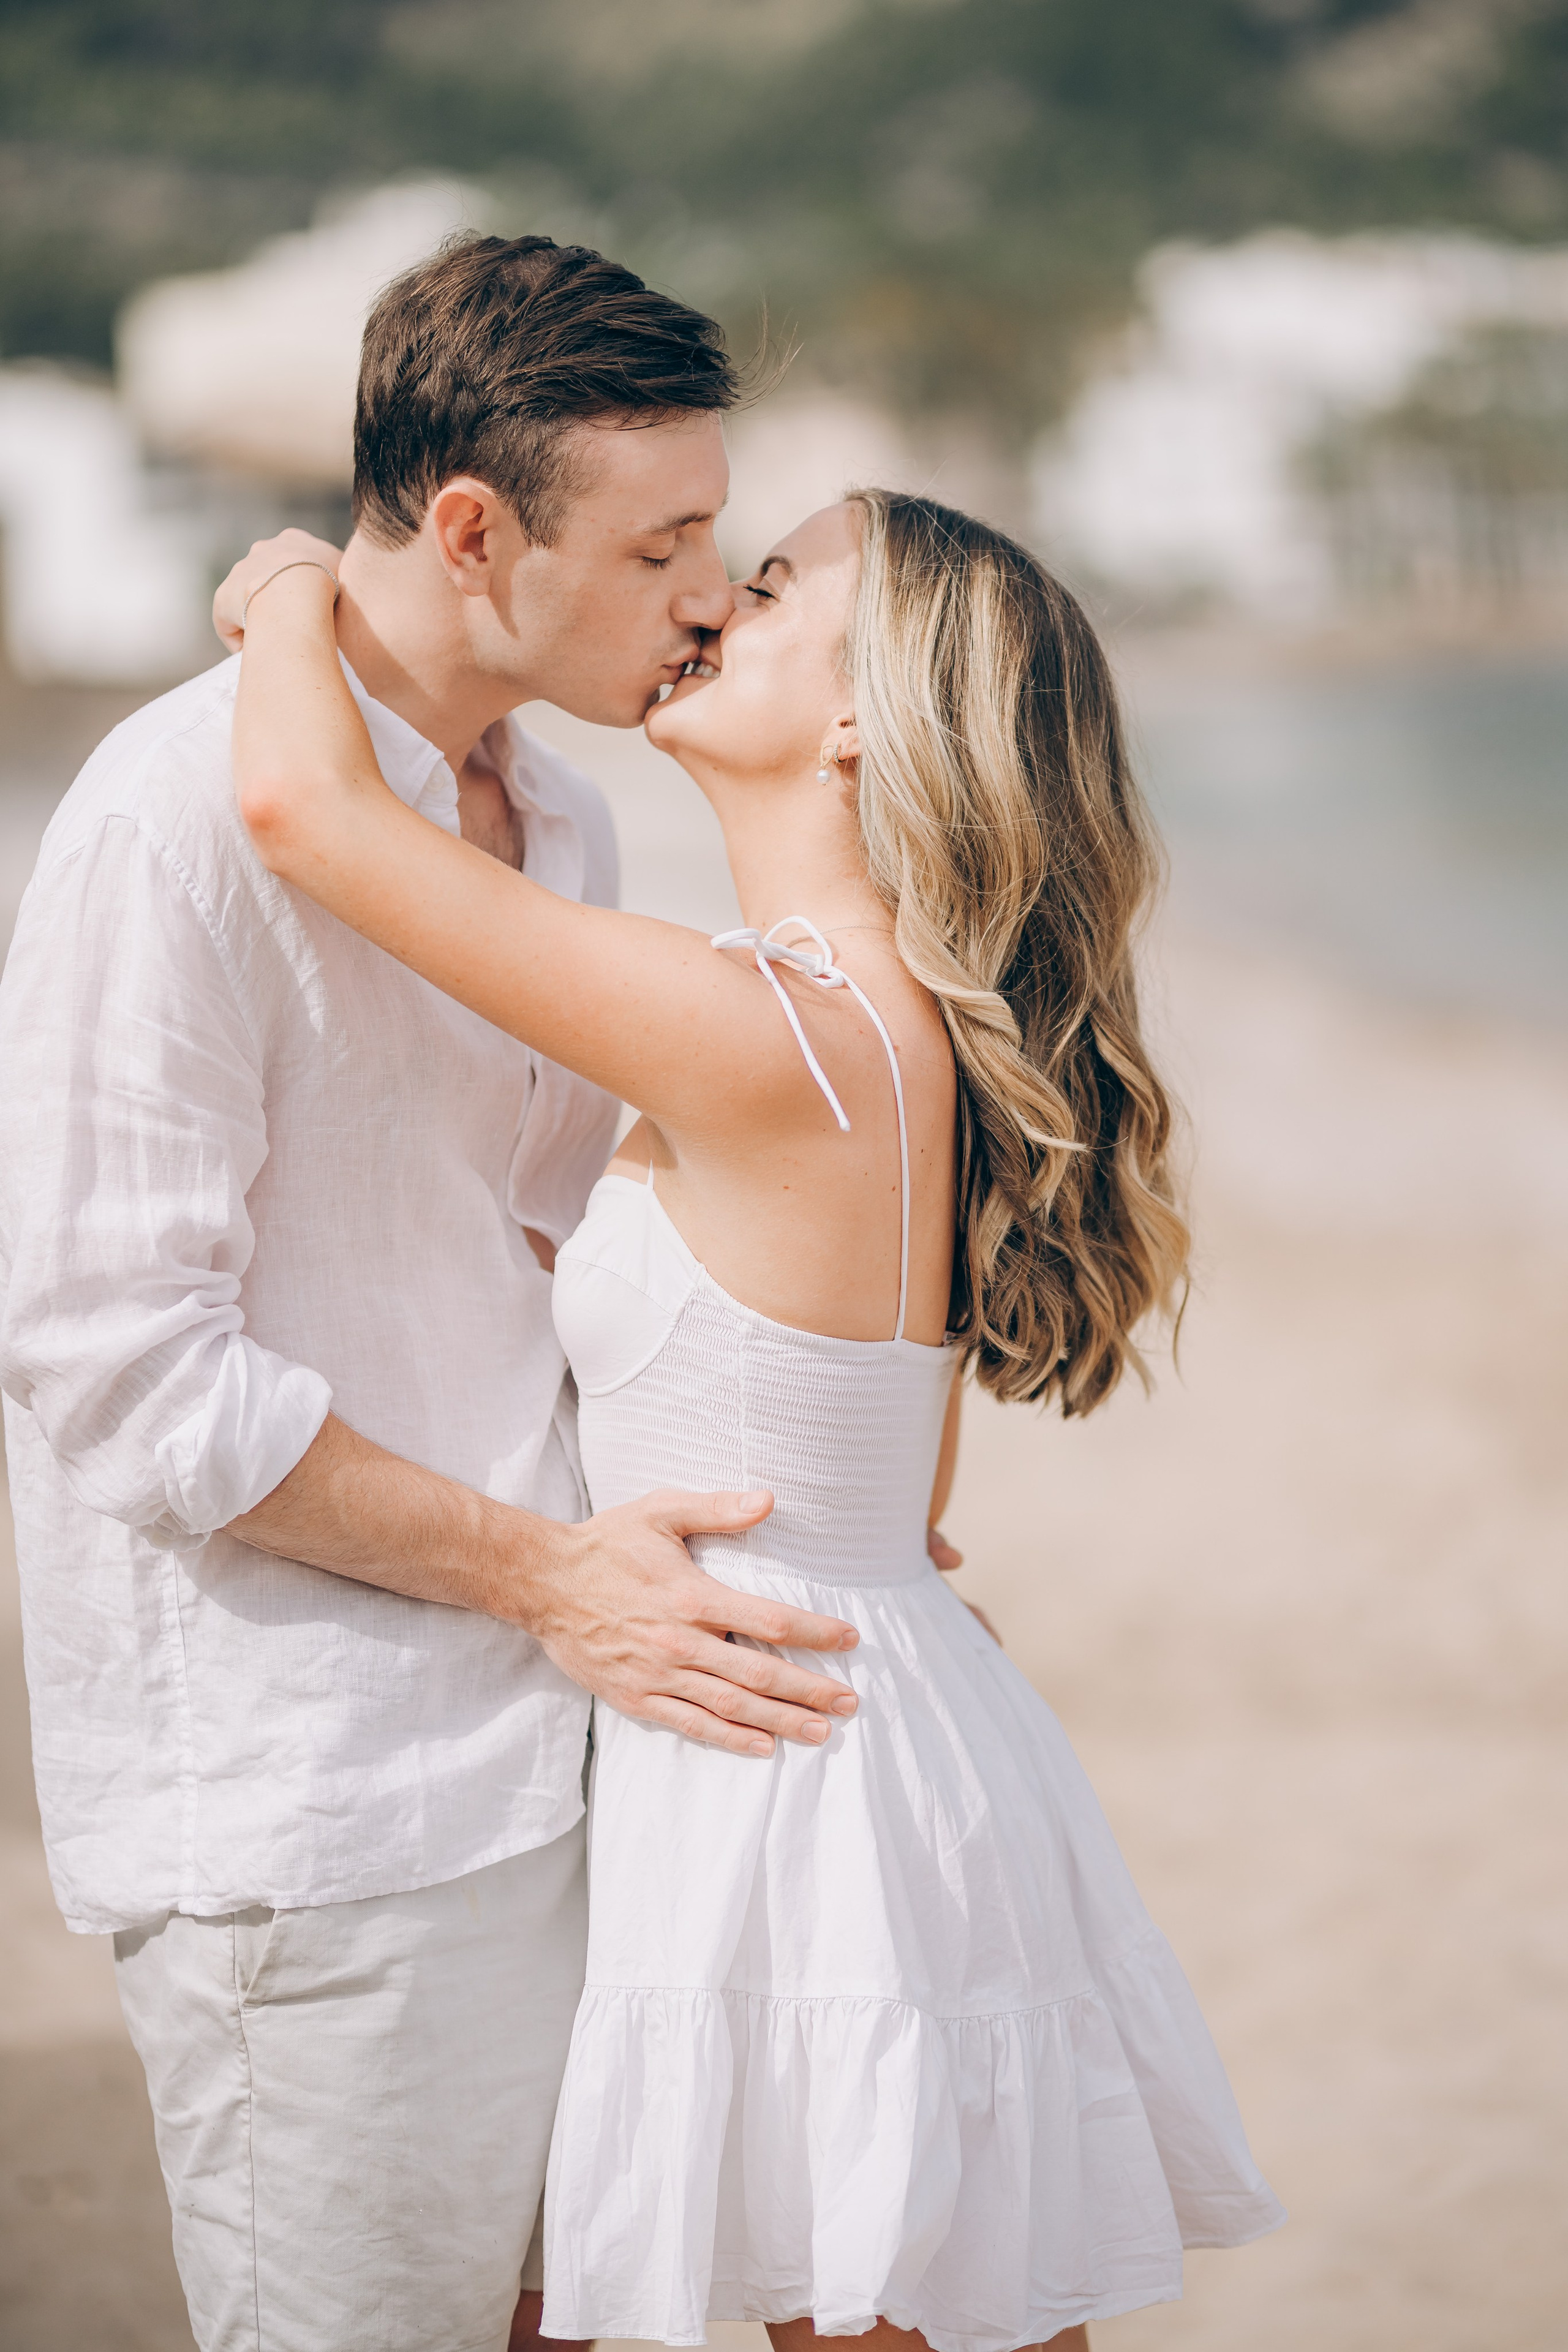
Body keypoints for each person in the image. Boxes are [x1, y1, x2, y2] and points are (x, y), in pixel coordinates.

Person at [216, 481, 1287, 2352]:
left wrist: (300, 589)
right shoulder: (872, 1025)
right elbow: (903, 1483)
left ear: (868, 711)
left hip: (793, 1774)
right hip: (828, 1713)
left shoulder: (782, 1032)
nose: (710, 601)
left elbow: (308, 815)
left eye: (773, 582)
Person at [0, 236, 869, 2352]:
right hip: (325, 1801)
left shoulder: (563, 819)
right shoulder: (175, 821)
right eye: (665, 544)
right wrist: (542, 1579)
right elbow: (112, 1364)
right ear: (475, 532)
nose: (701, 593)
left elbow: (563, 1258)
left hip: (569, 1754)